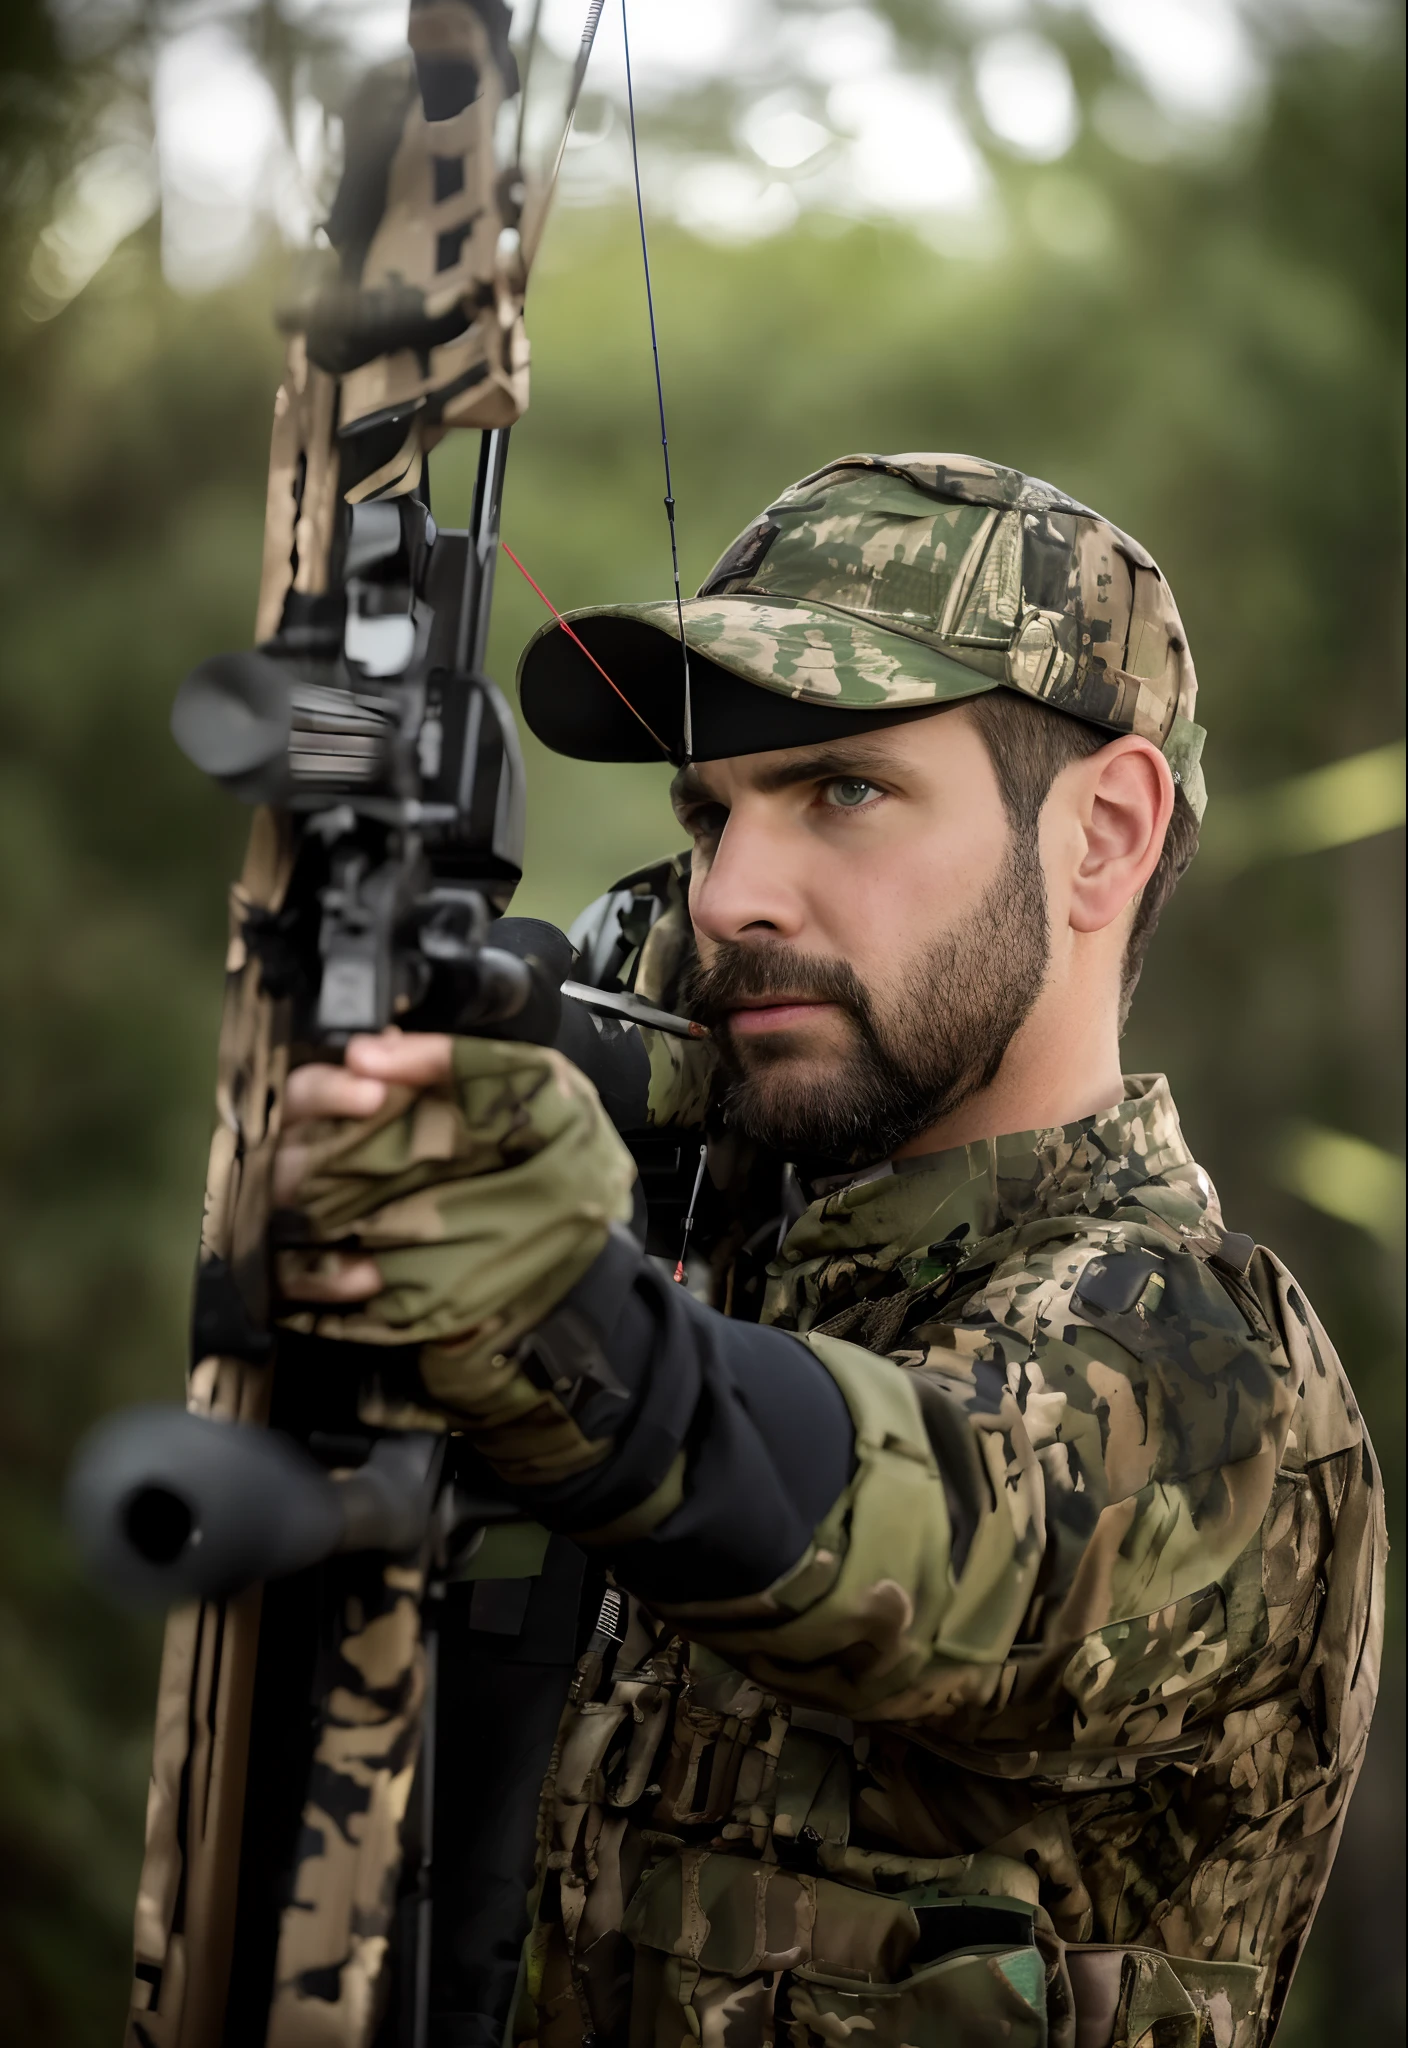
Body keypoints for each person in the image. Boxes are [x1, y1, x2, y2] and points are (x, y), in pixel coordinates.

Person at [272, 454, 1384, 2048]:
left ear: (1101, 837)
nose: (730, 895)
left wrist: (541, 1306)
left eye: (842, 791)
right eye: (708, 815)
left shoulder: (1210, 1368)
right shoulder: (708, 1238)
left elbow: (917, 1515)